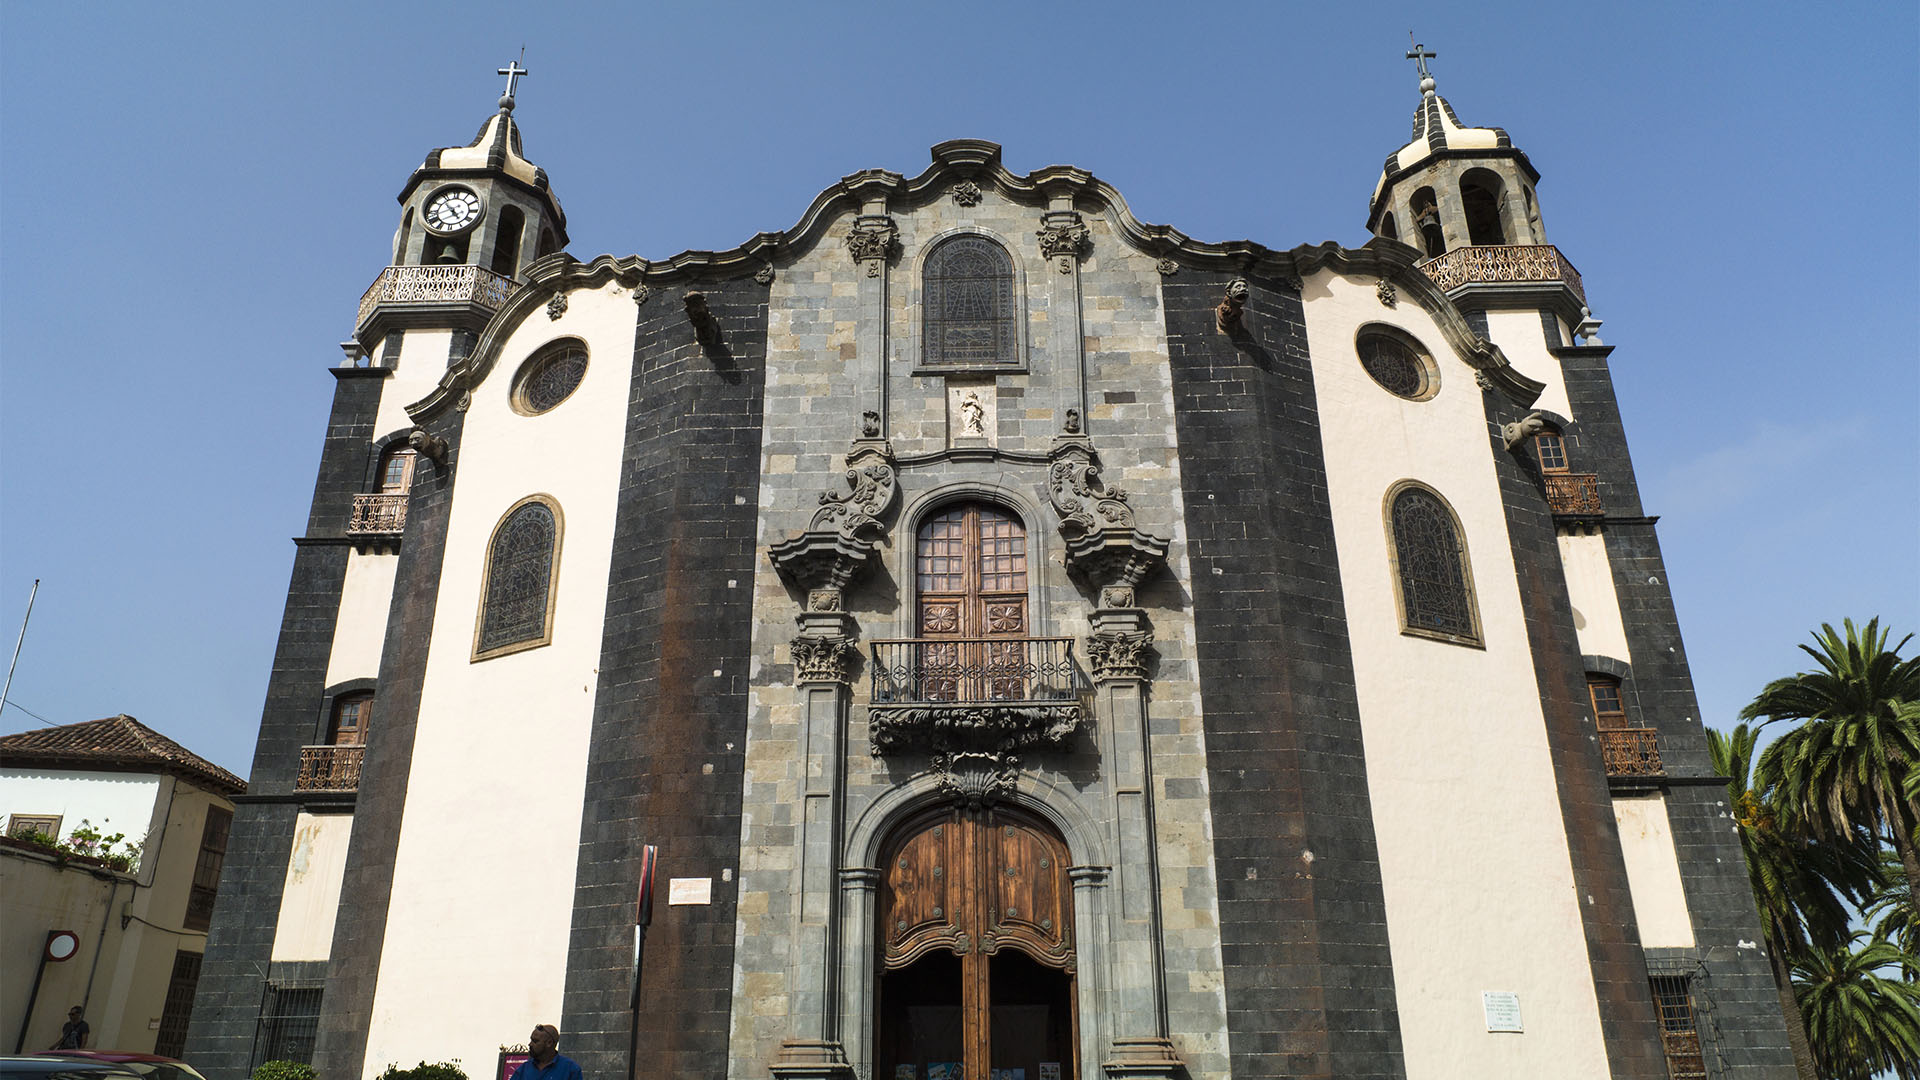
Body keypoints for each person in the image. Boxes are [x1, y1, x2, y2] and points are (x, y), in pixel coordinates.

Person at [509, 1024, 581, 1080]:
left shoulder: (570, 1069)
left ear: (549, 1043)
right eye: (531, 1040)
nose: (530, 1044)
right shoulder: (523, 1069)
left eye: (535, 1041)